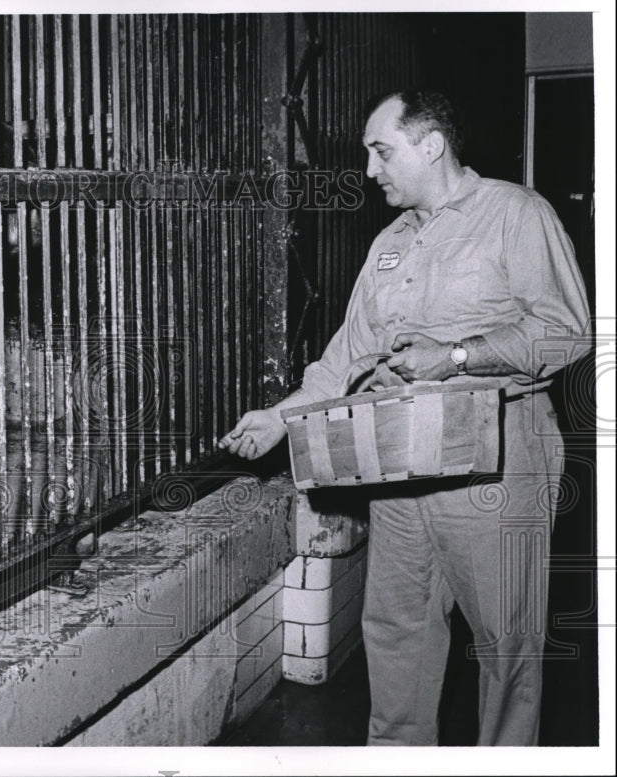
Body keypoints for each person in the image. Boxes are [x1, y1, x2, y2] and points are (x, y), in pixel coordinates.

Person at [219, 90, 591, 746]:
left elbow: (566, 331)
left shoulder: (515, 215)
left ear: (431, 146)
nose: (369, 170)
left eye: (380, 151)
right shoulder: (389, 244)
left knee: (506, 646)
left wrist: (455, 355)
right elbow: (345, 357)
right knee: (394, 635)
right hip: (401, 459)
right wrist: (280, 417)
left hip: (500, 456)